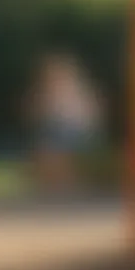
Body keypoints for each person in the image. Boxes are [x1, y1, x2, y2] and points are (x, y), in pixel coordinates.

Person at [28, 54, 102, 191]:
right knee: (49, 150)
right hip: (64, 132)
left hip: (70, 133)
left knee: (51, 150)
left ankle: (61, 183)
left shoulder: (71, 92)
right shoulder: (67, 91)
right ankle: (58, 183)